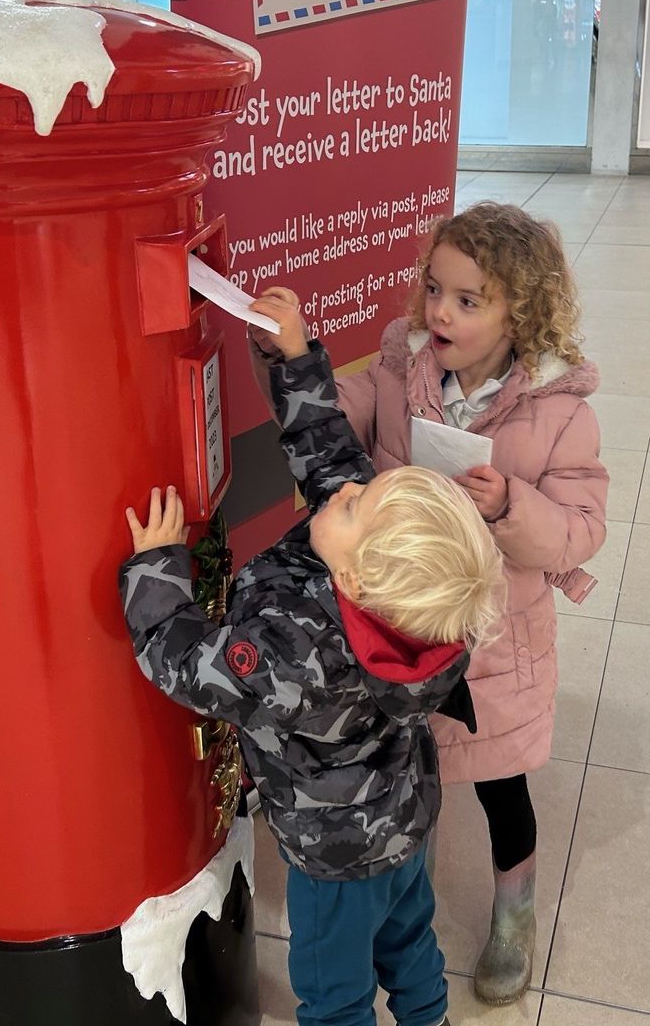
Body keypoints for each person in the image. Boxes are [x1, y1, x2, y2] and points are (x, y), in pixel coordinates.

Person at [252, 203, 608, 1006]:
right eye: (434, 288)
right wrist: (295, 359)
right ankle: (406, 907)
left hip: (495, 650)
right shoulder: (398, 370)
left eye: (469, 300)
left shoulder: (558, 415)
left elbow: (582, 530)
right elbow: (333, 421)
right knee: (416, 775)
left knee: (501, 785)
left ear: (522, 311)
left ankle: (514, 912)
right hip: (402, 635)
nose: (440, 311)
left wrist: (510, 505)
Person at [121, 295, 504, 1026]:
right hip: (405, 827)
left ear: (356, 581)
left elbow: (185, 665)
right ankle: (431, 1017)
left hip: (335, 862)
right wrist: (293, 355)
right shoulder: (404, 605)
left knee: (334, 996)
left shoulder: (297, 651)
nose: (350, 488)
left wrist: (155, 571)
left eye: (357, 503)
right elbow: (329, 453)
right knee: (410, 945)